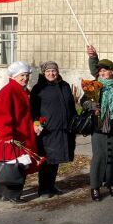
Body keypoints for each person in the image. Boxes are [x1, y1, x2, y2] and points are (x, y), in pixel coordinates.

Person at [0, 61, 38, 203]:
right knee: (14, 166)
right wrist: (7, 136)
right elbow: (1, 115)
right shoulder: (9, 91)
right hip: (11, 136)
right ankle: (12, 195)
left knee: (13, 164)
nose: (25, 78)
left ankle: (3, 194)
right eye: (22, 75)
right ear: (14, 76)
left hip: (20, 134)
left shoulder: (20, 90)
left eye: (27, 75)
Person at [30, 61, 77, 198]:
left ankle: (51, 185)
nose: (51, 73)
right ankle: (43, 189)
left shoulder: (65, 85)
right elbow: (34, 109)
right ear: (43, 73)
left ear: (57, 71)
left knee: (56, 160)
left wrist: (75, 121)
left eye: (53, 71)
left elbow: (71, 106)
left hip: (64, 129)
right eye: (48, 71)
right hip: (47, 130)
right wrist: (36, 123)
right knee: (47, 160)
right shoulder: (39, 88)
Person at [81, 59, 113, 201]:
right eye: (100, 71)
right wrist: (91, 106)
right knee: (99, 157)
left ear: (112, 71)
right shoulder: (94, 85)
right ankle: (95, 187)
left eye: (104, 70)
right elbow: (83, 101)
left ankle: (112, 183)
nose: (102, 73)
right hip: (98, 127)